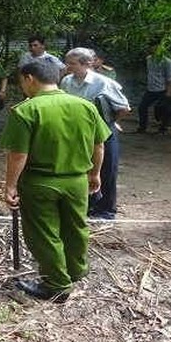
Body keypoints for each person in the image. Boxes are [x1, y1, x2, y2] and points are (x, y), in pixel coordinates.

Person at [1, 61, 109, 302]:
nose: (22, 87)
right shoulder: (85, 106)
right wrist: (95, 173)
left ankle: (57, 284)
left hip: (40, 183)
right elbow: (99, 144)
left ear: (30, 79)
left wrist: (10, 186)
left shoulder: (25, 111)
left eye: (21, 82)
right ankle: (75, 270)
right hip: (77, 181)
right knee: (76, 226)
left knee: (44, 233)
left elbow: (18, 154)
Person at [60, 48, 131, 219]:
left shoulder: (103, 82)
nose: (67, 66)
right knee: (82, 168)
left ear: (87, 64)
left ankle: (106, 209)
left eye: (72, 63)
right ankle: (88, 205)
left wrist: (112, 123)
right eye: (67, 62)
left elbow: (124, 108)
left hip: (103, 130)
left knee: (107, 168)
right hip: (78, 131)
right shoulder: (67, 82)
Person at [136, 51, 171, 134]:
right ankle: (142, 128)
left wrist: (169, 92)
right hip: (151, 89)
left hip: (162, 89)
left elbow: (170, 78)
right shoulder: (149, 59)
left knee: (163, 109)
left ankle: (163, 128)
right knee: (142, 107)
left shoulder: (167, 62)